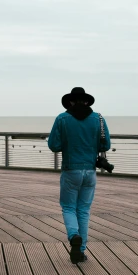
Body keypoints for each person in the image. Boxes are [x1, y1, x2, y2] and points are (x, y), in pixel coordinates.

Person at [48, 86, 111, 263]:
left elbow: (54, 145)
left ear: (70, 102)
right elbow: (105, 145)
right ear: (86, 101)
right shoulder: (98, 118)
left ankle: (74, 235)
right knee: (83, 210)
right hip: (90, 171)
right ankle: (80, 251)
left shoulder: (62, 119)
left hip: (70, 170)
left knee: (68, 207)